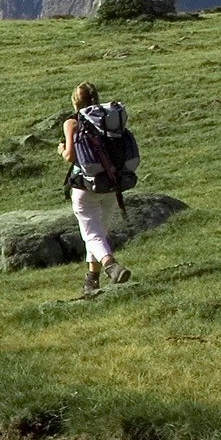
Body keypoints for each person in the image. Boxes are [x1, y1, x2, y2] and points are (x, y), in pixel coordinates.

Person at [61, 82, 132, 297]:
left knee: (91, 234)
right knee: (100, 232)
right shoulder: (107, 121)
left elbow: (71, 156)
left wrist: (62, 149)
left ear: (75, 101)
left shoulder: (72, 122)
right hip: (110, 184)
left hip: (84, 186)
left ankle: (112, 267)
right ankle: (92, 280)